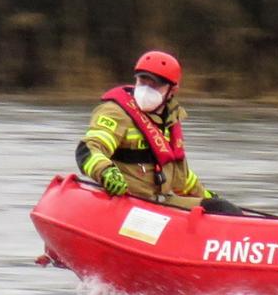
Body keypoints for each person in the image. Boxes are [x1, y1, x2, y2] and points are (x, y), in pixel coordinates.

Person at [76, 50, 241, 214]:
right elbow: (90, 148)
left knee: (223, 209)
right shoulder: (116, 113)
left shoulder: (169, 121)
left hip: (159, 201)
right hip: (128, 201)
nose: (147, 89)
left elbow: (180, 177)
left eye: (154, 84)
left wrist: (206, 195)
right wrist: (106, 172)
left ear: (172, 90)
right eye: (142, 81)